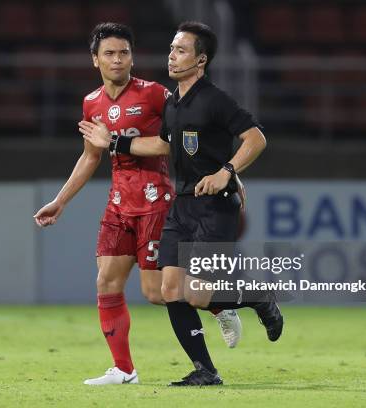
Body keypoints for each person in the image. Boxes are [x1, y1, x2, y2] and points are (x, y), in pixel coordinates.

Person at [34, 22, 242, 386]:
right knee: (106, 282)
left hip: (155, 200)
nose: (118, 60)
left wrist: (114, 140)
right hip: (118, 203)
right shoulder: (92, 102)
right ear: (95, 60)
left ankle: (220, 304)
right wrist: (60, 200)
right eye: (110, 54)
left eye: (124, 53)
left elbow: (170, 143)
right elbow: (89, 157)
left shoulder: (156, 95)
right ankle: (124, 370)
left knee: (156, 292)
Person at [80, 21, 284, 387]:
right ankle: (205, 371)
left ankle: (256, 297)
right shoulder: (173, 103)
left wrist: (228, 170)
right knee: (168, 292)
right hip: (182, 205)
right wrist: (114, 143)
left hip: (214, 205)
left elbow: (256, 138)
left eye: (181, 50)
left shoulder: (214, 99)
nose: (172, 56)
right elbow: (160, 144)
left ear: (201, 59)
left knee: (195, 292)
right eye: (171, 49)